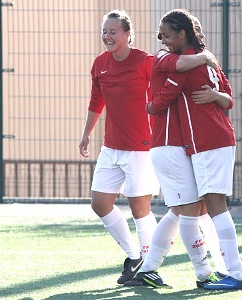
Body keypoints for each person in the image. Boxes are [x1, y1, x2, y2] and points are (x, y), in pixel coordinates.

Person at [124, 12, 229, 289]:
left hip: (180, 148)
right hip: (168, 146)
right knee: (192, 209)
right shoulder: (163, 58)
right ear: (186, 35)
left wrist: (216, 93)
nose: (162, 39)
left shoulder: (192, 64)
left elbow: (226, 97)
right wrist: (206, 58)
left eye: (166, 34)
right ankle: (205, 273)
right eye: (197, 33)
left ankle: (148, 268)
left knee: (182, 210)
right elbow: (160, 98)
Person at [147, 9, 242, 291]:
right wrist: (216, 92)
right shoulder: (208, 60)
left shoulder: (186, 64)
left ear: (182, 34)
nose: (161, 39)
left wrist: (150, 106)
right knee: (202, 207)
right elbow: (229, 99)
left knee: (214, 207)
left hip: (207, 142)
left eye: (167, 34)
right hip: (219, 139)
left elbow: (163, 97)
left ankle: (234, 275)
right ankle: (224, 272)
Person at [78, 10, 159, 285]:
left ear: (127, 34)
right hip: (111, 148)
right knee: (100, 204)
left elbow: (164, 93)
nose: (108, 36)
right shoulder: (100, 63)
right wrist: (86, 134)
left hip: (141, 148)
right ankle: (134, 256)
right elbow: (96, 101)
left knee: (140, 210)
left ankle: (150, 267)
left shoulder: (146, 61)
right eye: (105, 31)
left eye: (113, 31)